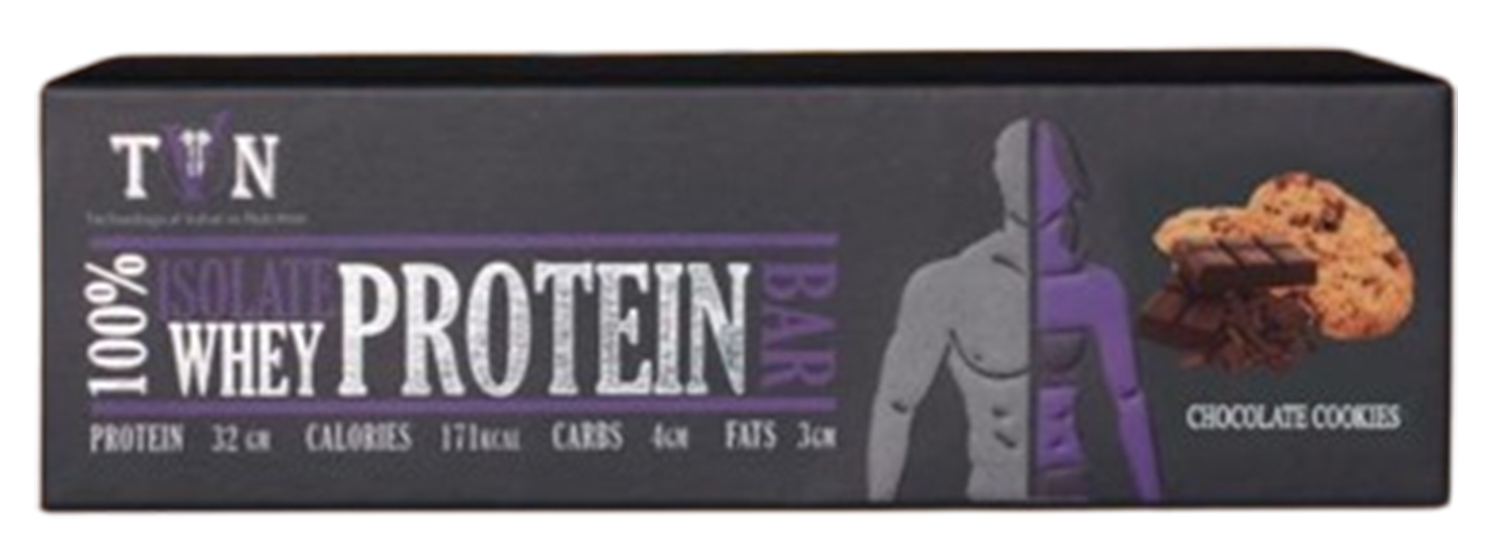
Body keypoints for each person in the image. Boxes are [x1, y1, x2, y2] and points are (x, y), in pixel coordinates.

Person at [867, 118, 1161, 503]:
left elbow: (1130, 401)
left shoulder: (1097, 288)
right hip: (992, 493)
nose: (1029, 178)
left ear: (1070, 180)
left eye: (1044, 166)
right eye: (1015, 163)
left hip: (1070, 492)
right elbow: (896, 405)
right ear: (998, 174)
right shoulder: (946, 284)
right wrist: (874, 513)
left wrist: (1157, 508)